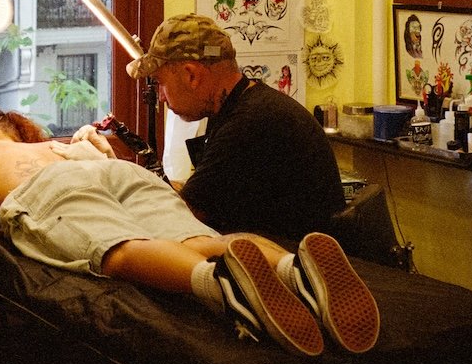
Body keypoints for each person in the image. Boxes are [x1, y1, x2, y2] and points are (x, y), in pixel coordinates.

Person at [0, 111, 379, 356]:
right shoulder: (73, 141)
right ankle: (295, 270)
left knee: (119, 251)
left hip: (50, 188)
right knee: (195, 235)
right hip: (122, 174)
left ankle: (225, 288)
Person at [127, 13, 345, 244]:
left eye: (161, 83)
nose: (160, 96)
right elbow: (201, 190)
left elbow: (184, 215)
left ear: (191, 75)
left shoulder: (250, 123)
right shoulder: (241, 104)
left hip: (294, 263)